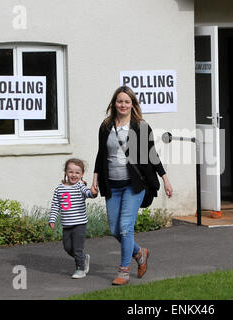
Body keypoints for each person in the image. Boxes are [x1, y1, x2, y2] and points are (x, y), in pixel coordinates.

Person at [92, 86, 172, 285]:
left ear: (133, 105)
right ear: (114, 103)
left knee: (126, 228)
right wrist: (94, 179)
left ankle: (124, 272)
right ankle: (140, 253)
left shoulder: (140, 126)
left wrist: (165, 178)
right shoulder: (105, 126)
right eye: (120, 101)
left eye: (127, 102)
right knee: (115, 229)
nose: (123, 105)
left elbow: (152, 155)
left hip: (134, 185)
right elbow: (101, 154)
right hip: (112, 184)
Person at [49, 158, 97, 279]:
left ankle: (80, 269)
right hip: (67, 224)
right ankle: (84, 258)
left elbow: (88, 193)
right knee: (67, 247)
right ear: (65, 172)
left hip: (79, 224)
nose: (73, 175)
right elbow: (55, 205)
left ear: (81, 175)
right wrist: (52, 219)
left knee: (77, 248)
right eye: (71, 172)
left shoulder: (80, 186)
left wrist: (93, 192)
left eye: (77, 172)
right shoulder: (59, 188)